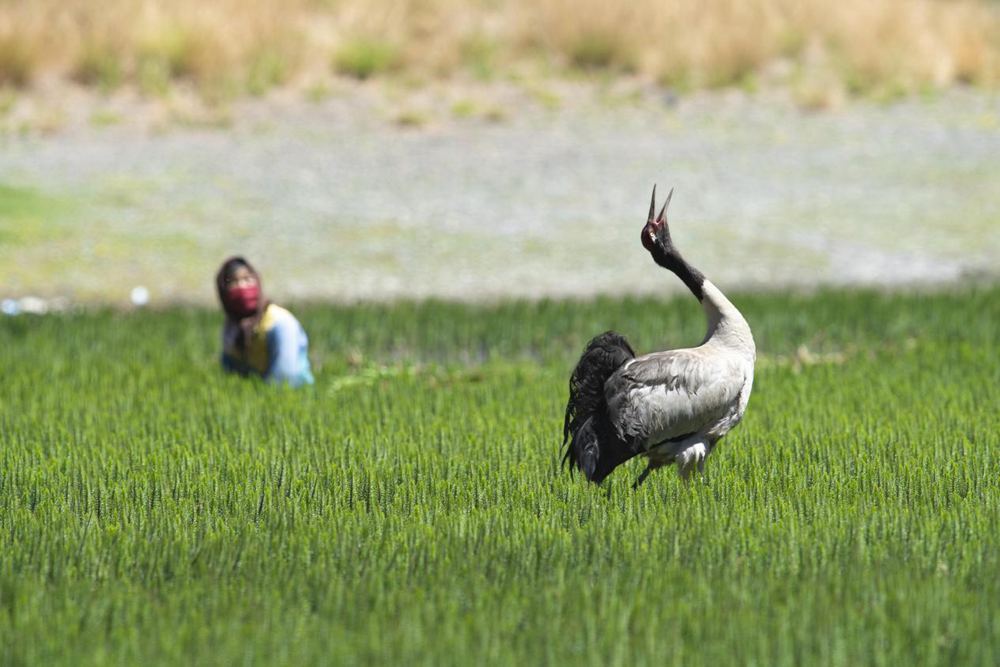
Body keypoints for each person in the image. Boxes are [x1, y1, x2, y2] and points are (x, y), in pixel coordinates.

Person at [215, 256, 314, 387]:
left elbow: (287, 376)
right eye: (233, 282)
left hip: (291, 391)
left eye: (247, 279)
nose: (242, 286)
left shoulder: (280, 323)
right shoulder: (232, 328)